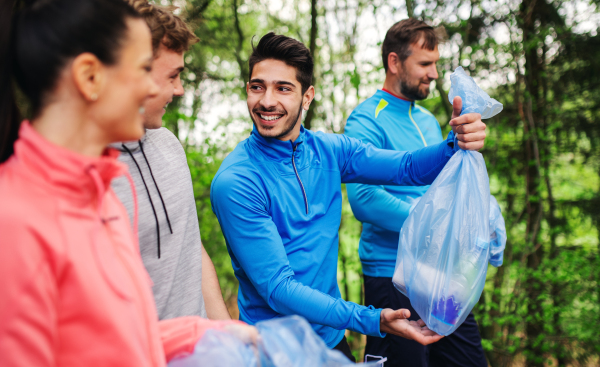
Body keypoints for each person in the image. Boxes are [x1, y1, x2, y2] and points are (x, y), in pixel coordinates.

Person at [0, 1, 250, 366]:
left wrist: (213, 334)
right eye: (141, 69)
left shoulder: (101, 193)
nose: (154, 89)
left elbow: (120, 338)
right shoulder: (14, 222)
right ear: (89, 77)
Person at [210, 32, 486, 361]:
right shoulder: (237, 181)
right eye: (258, 86)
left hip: (329, 338)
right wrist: (370, 319)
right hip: (271, 348)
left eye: (283, 88)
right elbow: (279, 290)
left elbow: (407, 167)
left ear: (307, 96)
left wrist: (456, 141)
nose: (267, 101)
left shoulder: (329, 150)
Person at [344, 18, 489, 366]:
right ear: (394, 62)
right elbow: (364, 200)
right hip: (389, 274)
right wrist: (432, 226)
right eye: (425, 64)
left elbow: (442, 189)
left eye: (436, 64)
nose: (435, 74)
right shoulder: (365, 120)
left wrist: (482, 212)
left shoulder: (427, 120)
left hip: (440, 273)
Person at [111, 0, 230, 321]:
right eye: (172, 76)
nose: (179, 89)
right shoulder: (87, 173)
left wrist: (226, 334)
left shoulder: (169, 145)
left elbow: (190, 249)